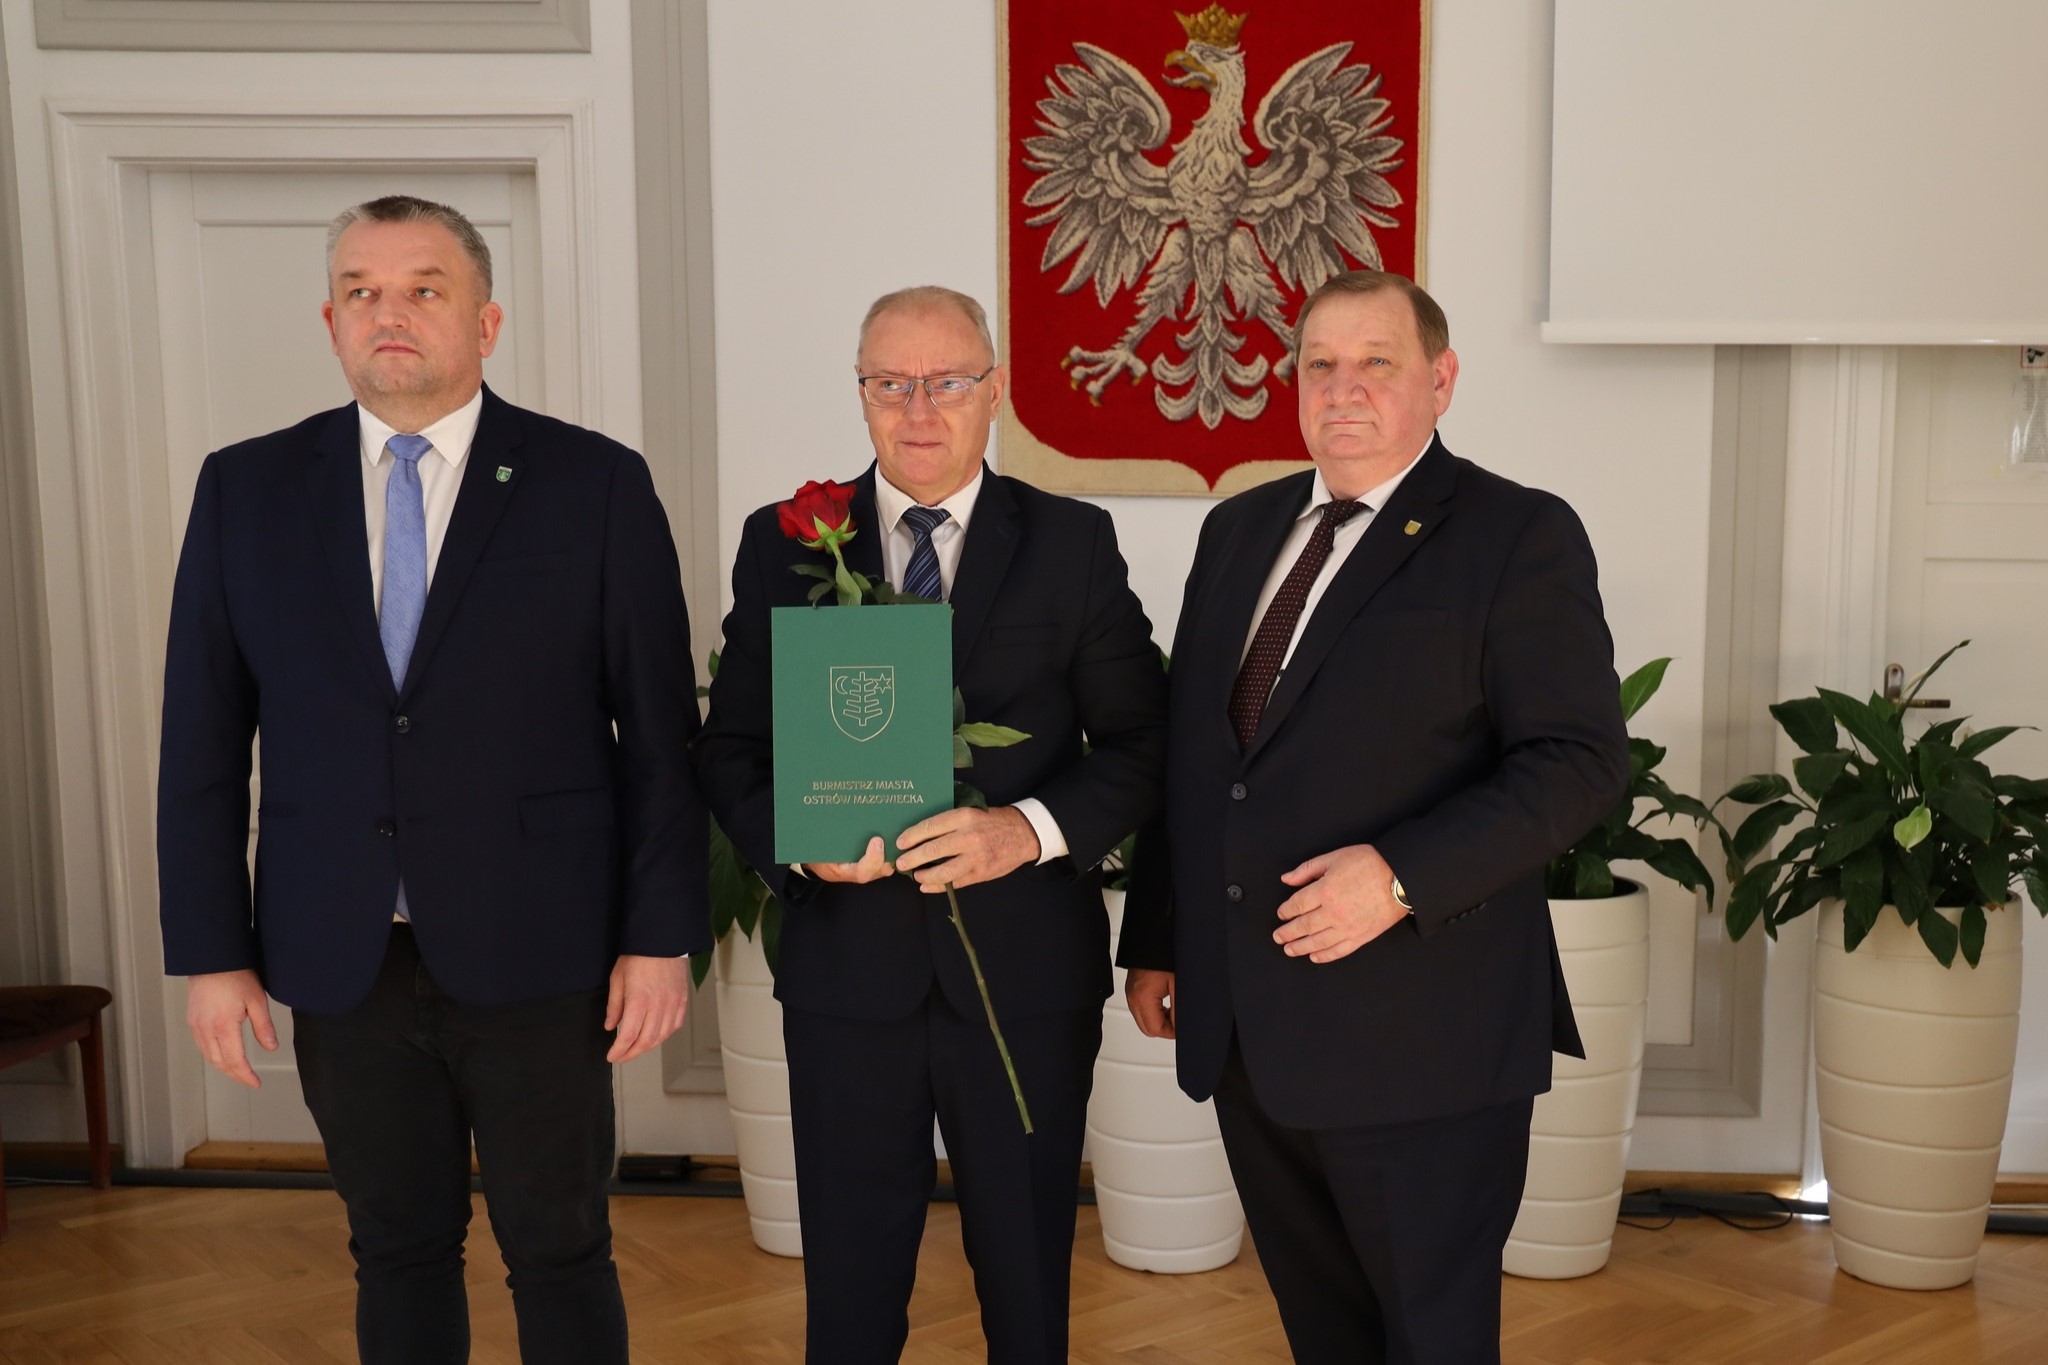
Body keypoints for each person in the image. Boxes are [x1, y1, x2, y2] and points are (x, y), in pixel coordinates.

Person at [156, 194, 707, 1364]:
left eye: (423, 288)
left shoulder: (592, 483)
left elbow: (662, 737)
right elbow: (199, 742)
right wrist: (212, 953)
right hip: (340, 954)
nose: (388, 313)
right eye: (360, 291)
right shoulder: (246, 488)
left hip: (539, 947)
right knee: (395, 1249)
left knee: (560, 1248)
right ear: (330, 322)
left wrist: (660, 937)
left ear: (485, 321)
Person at [1120, 269, 1629, 1364]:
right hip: (1252, 1028)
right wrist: (1161, 935)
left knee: (1430, 1337)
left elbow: (1579, 761)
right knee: (1326, 1335)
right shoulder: (1238, 530)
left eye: (1376, 363)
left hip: (1422, 1037)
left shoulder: (1516, 533)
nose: (1342, 388)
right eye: (1320, 364)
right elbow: (1200, 757)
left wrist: (1399, 876)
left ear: (1441, 380)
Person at [694, 286, 1166, 1364]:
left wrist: (1027, 830)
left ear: (994, 390)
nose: (918, 409)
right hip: (846, 980)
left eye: (947, 381)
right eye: (890, 383)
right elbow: (729, 747)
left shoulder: (1070, 542)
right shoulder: (783, 542)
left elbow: (1143, 743)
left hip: (1021, 979)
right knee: (850, 1298)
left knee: (1028, 1286)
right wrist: (793, 842)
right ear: (860, 393)